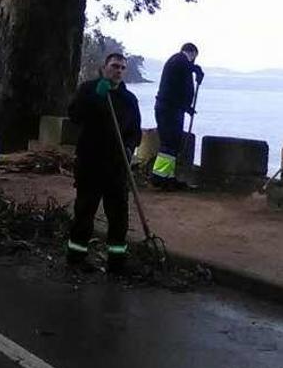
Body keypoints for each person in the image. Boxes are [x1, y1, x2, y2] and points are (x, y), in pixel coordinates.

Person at [66, 53, 141, 273]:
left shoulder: (129, 100)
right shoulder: (89, 90)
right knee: (85, 212)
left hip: (117, 166)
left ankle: (117, 261)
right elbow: (75, 116)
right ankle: (75, 258)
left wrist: (129, 148)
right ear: (104, 67)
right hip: (90, 163)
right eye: (114, 66)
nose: (118, 70)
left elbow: (135, 131)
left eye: (122, 68)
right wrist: (96, 98)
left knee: (118, 216)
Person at [151, 43, 204, 190]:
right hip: (169, 110)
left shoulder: (180, 64)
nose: (193, 61)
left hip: (173, 108)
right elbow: (185, 69)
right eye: (194, 57)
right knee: (169, 143)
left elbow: (178, 89)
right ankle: (159, 177)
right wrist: (196, 70)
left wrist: (187, 108)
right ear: (192, 53)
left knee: (173, 143)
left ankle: (168, 176)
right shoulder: (178, 60)